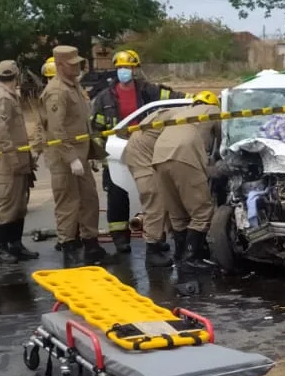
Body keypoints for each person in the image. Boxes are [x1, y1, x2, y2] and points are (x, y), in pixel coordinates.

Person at [91, 48, 172, 252]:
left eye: (127, 67)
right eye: (120, 68)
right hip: (117, 151)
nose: (123, 71)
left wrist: (197, 99)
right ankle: (120, 238)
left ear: (135, 69)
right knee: (117, 194)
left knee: (152, 192)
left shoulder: (148, 91)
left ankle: (157, 235)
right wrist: (102, 154)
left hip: (145, 149)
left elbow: (173, 98)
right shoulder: (104, 98)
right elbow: (96, 129)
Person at [34, 46, 106, 267]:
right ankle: (69, 250)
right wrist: (71, 157)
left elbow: (82, 121)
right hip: (65, 158)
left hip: (80, 155)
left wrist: (90, 153)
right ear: (61, 65)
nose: (78, 66)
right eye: (72, 63)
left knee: (89, 200)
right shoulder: (57, 91)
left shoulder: (73, 85)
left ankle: (91, 245)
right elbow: (56, 129)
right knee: (67, 203)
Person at [151, 90, 220, 268]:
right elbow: (222, 142)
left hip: (159, 155)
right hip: (184, 155)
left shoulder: (181, 111)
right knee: (202, 210)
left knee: (177, 211)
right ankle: (192, 257)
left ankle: (180, 255)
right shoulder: (213, 111)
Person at [0, 60, 37, 263]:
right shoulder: (2, 98)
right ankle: (0, 248)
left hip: (17, 161)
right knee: (6, 205)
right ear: (17, 75)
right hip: (6, 164)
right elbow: (2, 133)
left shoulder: (9, 95)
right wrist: (15, 159)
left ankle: (16, 245)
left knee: (19, 205)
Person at [119, 113, 173, 268]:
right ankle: (152, 251)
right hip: (142, 158)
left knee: (166, 198)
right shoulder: (197, 119)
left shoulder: (182, 114)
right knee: (154, 200)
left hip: (147, 154)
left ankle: (160, 239)